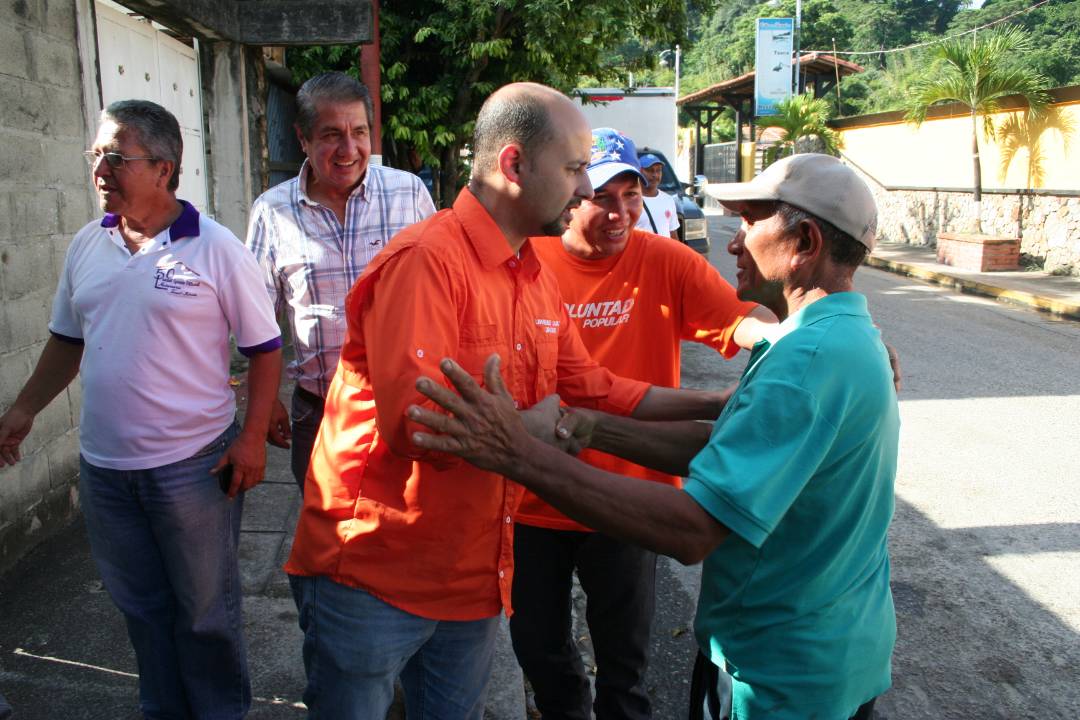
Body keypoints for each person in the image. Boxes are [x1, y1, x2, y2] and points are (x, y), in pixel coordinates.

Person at [283, 82, 727, 719]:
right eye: (574, 170)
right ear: (515, 164)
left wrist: (721, 401)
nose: (582, 190)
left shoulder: (530, 271)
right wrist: (536, 429)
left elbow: (597, 389)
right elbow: (418, 426)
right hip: (375, 571)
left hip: (473, 576)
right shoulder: (427, 262)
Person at [409, 153, 901, 720]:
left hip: (777, 670)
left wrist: (518, 454)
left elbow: (693, 529)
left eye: (748, 222)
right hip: (836, 647)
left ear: (806, 242)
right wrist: (592, 428)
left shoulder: (807, 359)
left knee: (623, 665)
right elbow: (728, 445)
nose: (734, 244)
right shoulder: (841, 339)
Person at [0, 100, 283, 718]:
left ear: (163, 167)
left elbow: (264, 350)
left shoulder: (215, 249)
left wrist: (253, 438)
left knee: (206, 615)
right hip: (105, 473)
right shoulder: (86, 243)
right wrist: (23, 409)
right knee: (143, 612)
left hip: (193, 470)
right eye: (96, 154)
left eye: (116, 157)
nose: (100, 169)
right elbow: (68, 339)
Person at [515, 128, 778, 720]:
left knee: (625, 663)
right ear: (571, 197)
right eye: (604, 197)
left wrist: (817, 336)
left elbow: (744, 321)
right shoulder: (529, 265)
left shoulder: (666, 261)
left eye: (631, 196)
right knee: (536, 645)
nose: (620, 212)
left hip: (632, 494)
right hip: (535, 491)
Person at [245, 71, 436, 491]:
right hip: (319, 413)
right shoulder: (272, 212)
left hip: (402, 406)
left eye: (359, 132)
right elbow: (258, 318)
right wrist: (265, 402)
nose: (348, 149)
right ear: (303, 139)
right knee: (327, 541)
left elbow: (444, 295)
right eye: (331, 134)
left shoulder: (409, 195)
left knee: (404, 535)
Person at [634, 153, 679, 239]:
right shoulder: (630, 201)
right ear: (639, 171)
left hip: (664, 252)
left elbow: (673, 234)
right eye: (650, 170)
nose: (655, 175)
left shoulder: (668, 200)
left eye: (658, 170)